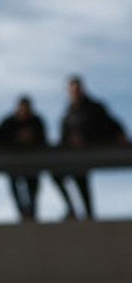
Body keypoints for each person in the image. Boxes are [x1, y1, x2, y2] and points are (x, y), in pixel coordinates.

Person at [53, 76, 128, 220]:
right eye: (72, 90)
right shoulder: (68, 112)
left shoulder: (94, 107)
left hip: (93, 150)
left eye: (77, 89)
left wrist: (120, 136)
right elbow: (63, 135)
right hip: (74, 155)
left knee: (82, 180)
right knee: (61, 174)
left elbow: (111, 124)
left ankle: (88, 214)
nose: (75, 92)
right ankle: (72, 209)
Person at [0, 96, 47, 222]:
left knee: (33, 189)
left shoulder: (36, 121)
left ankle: (32, 213)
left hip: (32, 163)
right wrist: (16, 139)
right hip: (13, 163)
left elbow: (43, 141)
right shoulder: (8, 122)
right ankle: (22, 213)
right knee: (15, 188)